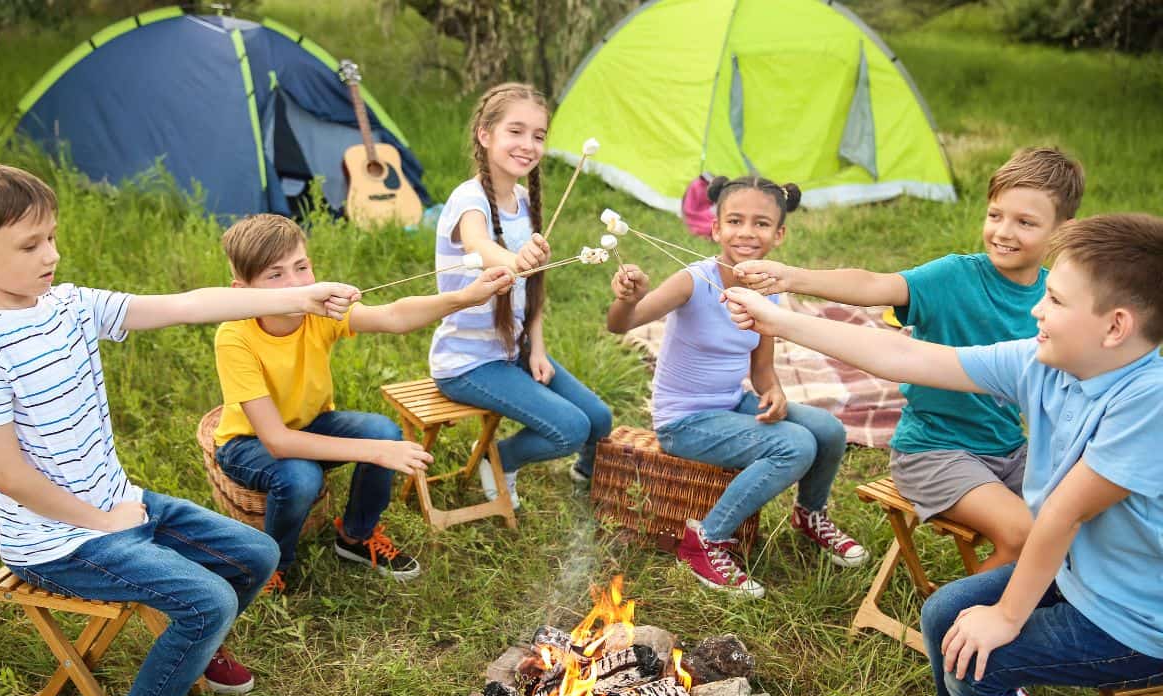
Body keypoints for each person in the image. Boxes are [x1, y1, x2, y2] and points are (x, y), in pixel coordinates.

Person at [725, 213, 1163, 696]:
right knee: (944, 616)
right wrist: (779, 318)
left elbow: (1063, 513)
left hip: (1138, 621)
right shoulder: (1048, 362)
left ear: (1115, 327)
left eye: (1055, 300)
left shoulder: (1149, 400)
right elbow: (911, 359)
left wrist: (1007, 617)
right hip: (1084, 575)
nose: (1037, 308)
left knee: (982, 661)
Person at [0, 163, 361, 696]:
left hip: (119, 504)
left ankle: (196, 653)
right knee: (210, 601)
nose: (53, 254)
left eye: (53, 237)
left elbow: (187, 305)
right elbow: (9, 476)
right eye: (31, 244)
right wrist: (103, 521)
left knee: (256, 552)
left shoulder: (70, 305)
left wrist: (295, 296)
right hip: (56, 541)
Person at [737, 147, 1084, 574]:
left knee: (1081, 519)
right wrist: (793, 276)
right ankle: (969, 626)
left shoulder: (1054, 295)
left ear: (1063, 231)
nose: (1003, 232)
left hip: (1009, 450)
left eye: (1026, 222)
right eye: (996, 215)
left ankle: (1055, 608)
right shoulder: (956, 276)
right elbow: (875, 284)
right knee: (1020, 533)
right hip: (934, 452)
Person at [214, 214, 515, 592]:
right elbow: (277, 441)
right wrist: (375, 452)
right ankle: (272, 562)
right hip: (247, 443)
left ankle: (356, 537)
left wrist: (465, 297)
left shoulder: (316, 311)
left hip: (307, 424)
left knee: (383, 430)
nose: (295, 283)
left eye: (302, 267)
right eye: (275, 275)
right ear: (242, 290)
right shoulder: (234, 337)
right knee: (302, 476)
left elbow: (392, 316)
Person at [606, 175, 865, 598]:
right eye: (736, 221)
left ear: (779, 235)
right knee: (795, 445)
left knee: (829, 430)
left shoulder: (768, 290)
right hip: (685, 422)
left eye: (761, 224)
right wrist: (628, 298)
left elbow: (761, 368)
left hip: (731, 403)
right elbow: (621, 324)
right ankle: (705, 540)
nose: (747, 233)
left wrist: (775, 391)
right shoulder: (693, 280)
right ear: (716, 228)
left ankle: (809, 515)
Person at [430, 82, 612, 508]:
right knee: (569, 428)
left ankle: (587, 475)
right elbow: (480, 245)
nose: (528, 144)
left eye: (538, 135)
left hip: (514, 350)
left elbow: (532, 292)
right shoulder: (468, 200)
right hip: (468, 361)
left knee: (599, 419)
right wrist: (513, 259)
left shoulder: (526, 202)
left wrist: (538, 349)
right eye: (516, 131)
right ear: (485, 134)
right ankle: (499, 458)